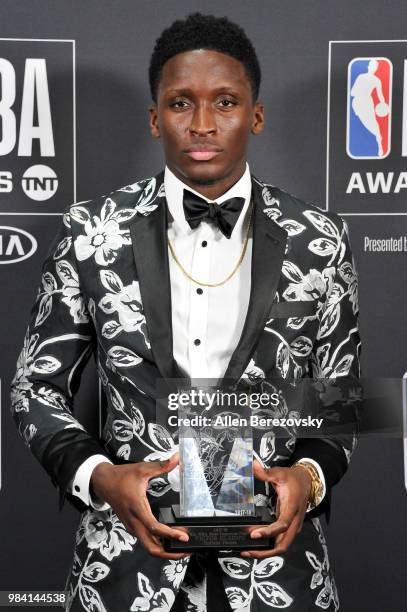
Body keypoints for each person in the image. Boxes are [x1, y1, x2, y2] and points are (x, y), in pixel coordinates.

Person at [10, 12, 361, 612]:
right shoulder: (92, 233)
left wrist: (308, 478)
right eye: (180, 103)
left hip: (276, 573)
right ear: (154, 119)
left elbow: (343, 398)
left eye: (225, 102)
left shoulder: (319, 239)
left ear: (256, 115)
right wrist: (100, 476)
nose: (202, 124)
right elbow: (34, 386)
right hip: (123, 571)